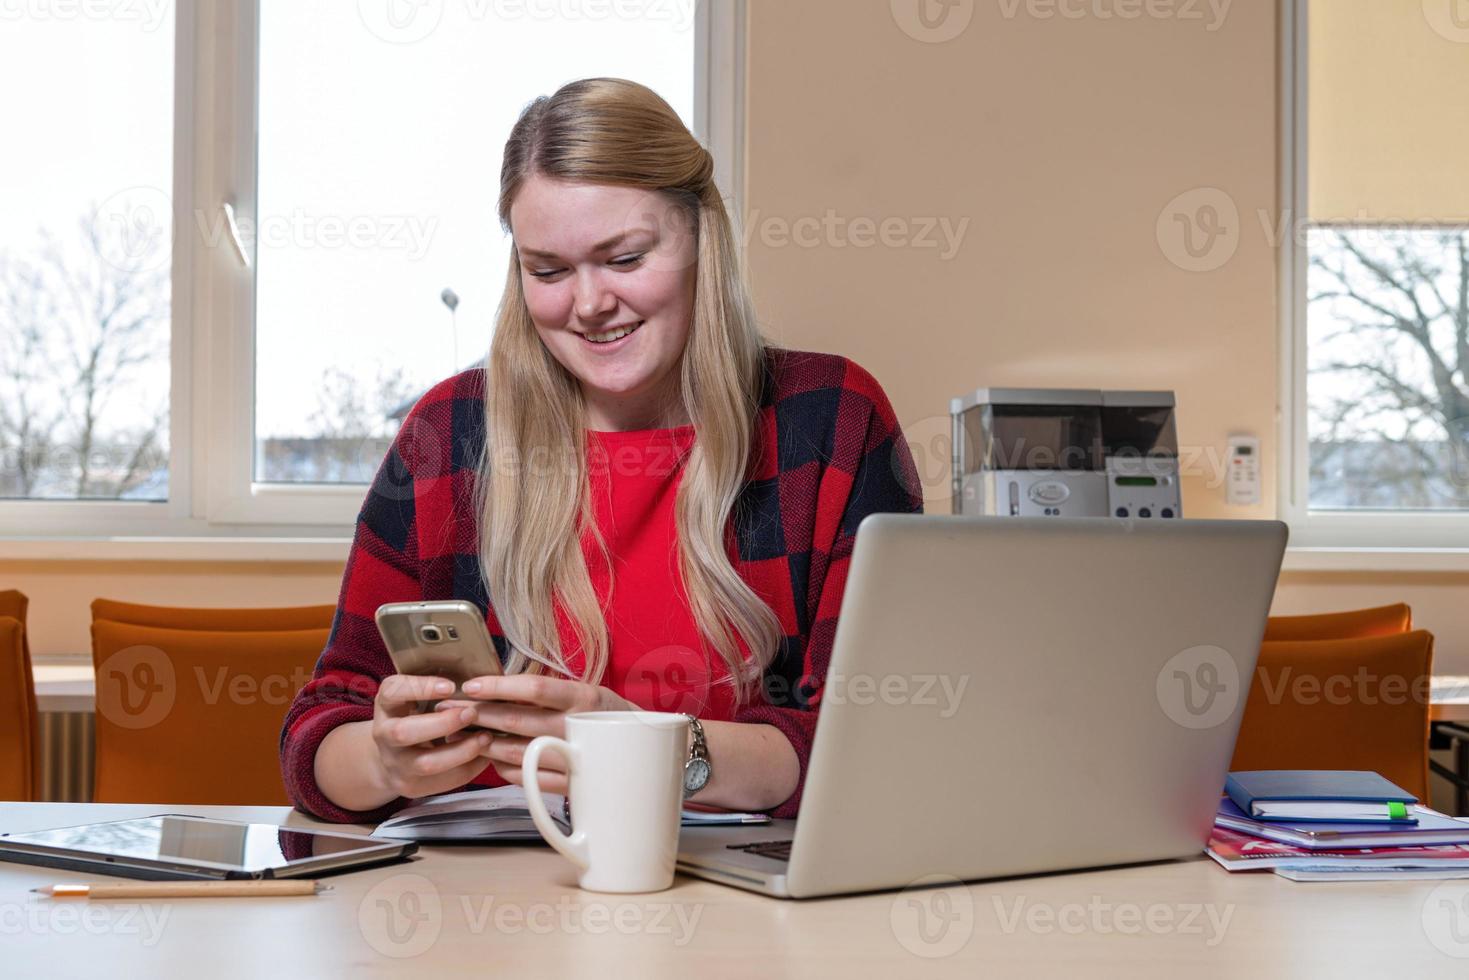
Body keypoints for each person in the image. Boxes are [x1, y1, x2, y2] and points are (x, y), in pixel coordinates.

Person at [280, 77, 922, 823]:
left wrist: (641, 751)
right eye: (547, 271)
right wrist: (383, 758)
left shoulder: (830, 420)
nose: (587, 304)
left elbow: (867, 749)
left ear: (702, 238)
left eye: (623, 258)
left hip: (740, 898)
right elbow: (317, 734)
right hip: (485, 904)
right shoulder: (449, 432)